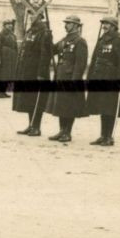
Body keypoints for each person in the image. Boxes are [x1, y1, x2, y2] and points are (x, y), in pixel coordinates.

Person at [84, 15, 120, 146]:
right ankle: (102, 135)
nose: (104, 26)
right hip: (99, 78)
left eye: (107, 24)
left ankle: (109, 136)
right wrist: (89, 76)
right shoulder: (102, 39)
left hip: (111, 79)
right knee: (102, 107)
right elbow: (94, 59)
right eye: (103, 23)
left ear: (114, 26)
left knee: (110, 108)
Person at [45, 15, 88, 143]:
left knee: (69, 106)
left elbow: (80, 64)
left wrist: (74, 80)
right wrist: (48, 38)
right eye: (66, 23)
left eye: (68, 23)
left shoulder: (80, 41)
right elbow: (52, 50)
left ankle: (67, 132)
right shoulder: (65, 40)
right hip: (60, 76)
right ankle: (61, 130)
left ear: (76, 25)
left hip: (70, 78)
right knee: (61, 105)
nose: (66, 25)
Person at [13, 7, 53, 135]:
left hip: (37, 73)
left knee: (37, 99)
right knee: (29, 99)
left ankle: (36, 127)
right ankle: (31, 125)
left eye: (33, 14)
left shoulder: (44, 32)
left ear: (40, 16)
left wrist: (41, 73)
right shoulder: (31, 31)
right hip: (27, 71)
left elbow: (45, 54)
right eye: (29, 14)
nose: (30, 16)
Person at [0, 20, 17, 97]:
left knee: (8, 75)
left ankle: (4, 91)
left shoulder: (13, 35)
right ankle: (0, 92)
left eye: (11, 24)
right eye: (8, 24)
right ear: (4, 26)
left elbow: (15, 47)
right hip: (4, 57)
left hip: (11, 58)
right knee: (2, 75)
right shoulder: (0, 35)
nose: (10, 26)